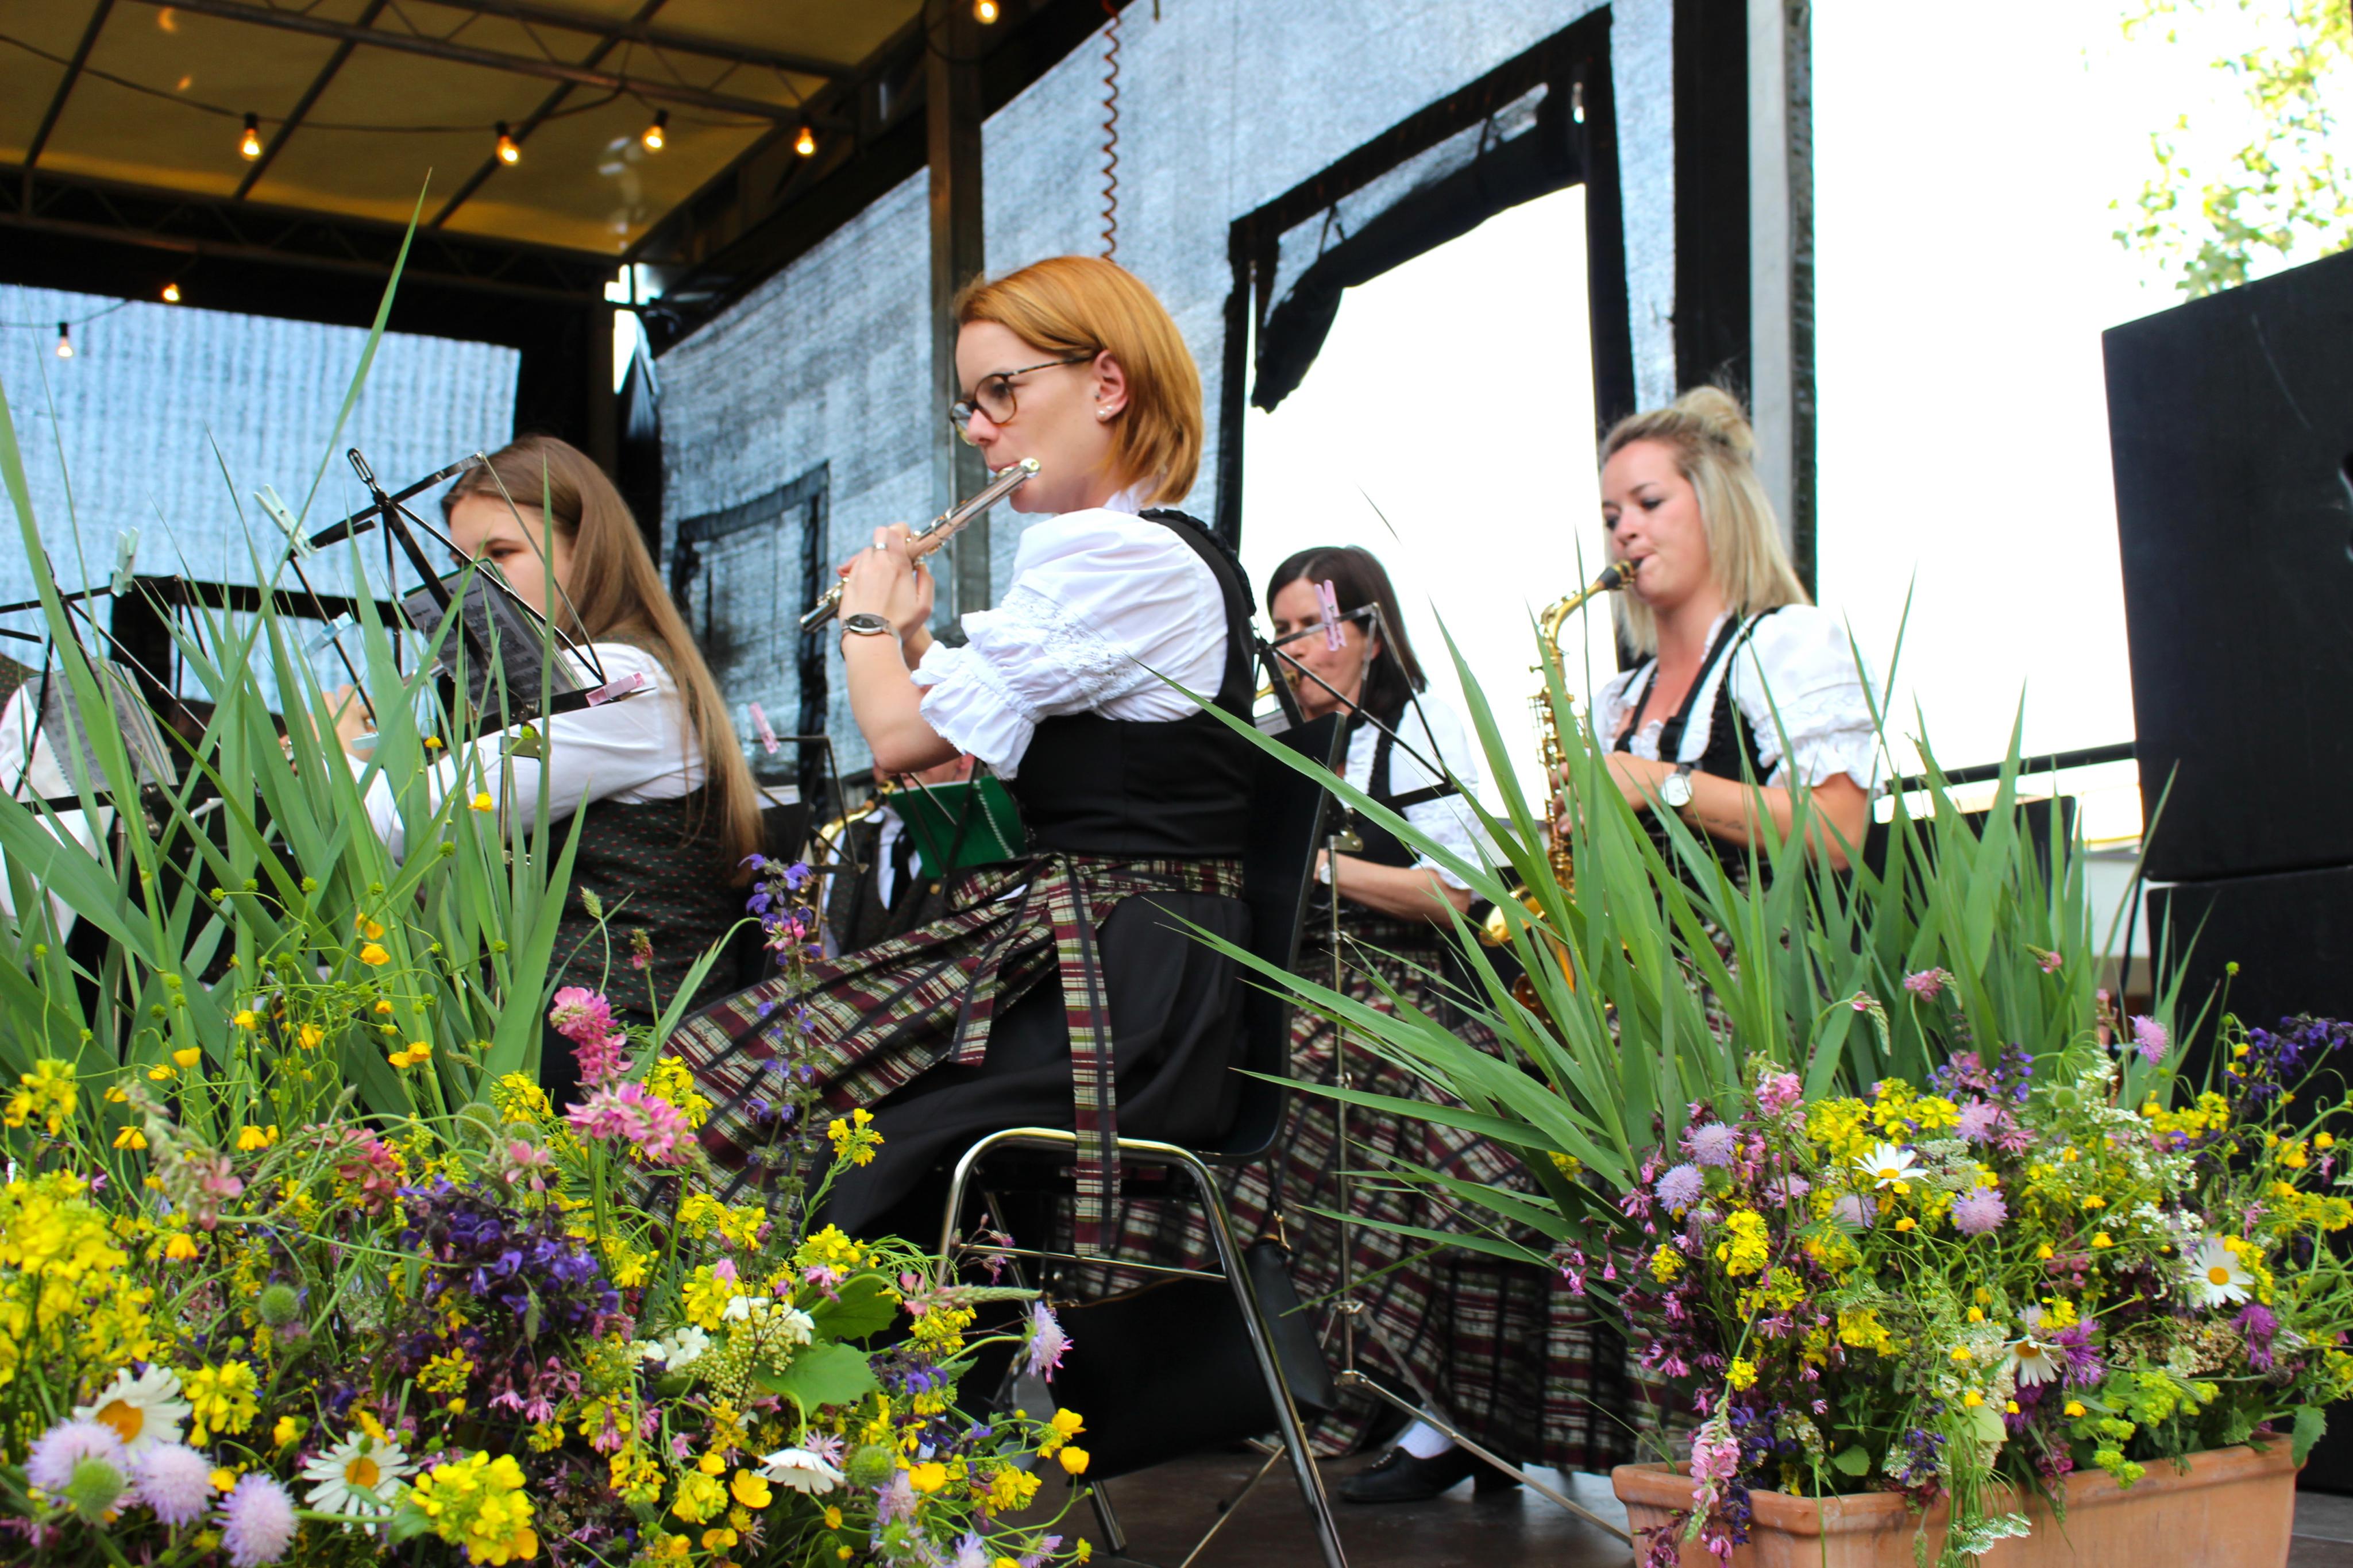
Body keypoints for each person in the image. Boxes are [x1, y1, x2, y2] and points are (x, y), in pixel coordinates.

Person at [670, 256, 1259, 1250]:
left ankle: (817, 1325)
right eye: (970, 405)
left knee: (779, 1091)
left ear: (1106, 385)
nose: (979, 428)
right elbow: (961, 720)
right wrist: (907, 638)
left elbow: (899, 739)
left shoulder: (1122, 556)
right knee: (749, 1057)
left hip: (1127, 996)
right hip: (1115, 964)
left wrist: (863, 620)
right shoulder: (1131, 553)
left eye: (1001, 391)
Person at [1113, 545, 1634, 1501]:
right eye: (1280, 632)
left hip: (1408, 983)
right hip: (1298, 980)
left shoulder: (1422, 728)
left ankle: (1426, 1394)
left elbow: (1455, 892)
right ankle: (1243, 1376)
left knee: (1373, 1107)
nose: (1293, 649)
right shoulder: (1270, 739)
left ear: (1368, 631)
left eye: (1310, 626)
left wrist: (1313, 866)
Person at [327, 435, 761, 1103]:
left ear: (586, 551)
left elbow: (410, 822)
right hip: (553, 1041)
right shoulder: (561, 692)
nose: (471, 588)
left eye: (500, 555)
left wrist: (333, 753)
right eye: (458, 564)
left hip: (620, 1057)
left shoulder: (618, 682)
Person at [1591, 387, 1877, 877]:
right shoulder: (1618, 701)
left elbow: (1838, 832)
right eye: (1611, 518)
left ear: (1718, 505)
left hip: (1780, 931)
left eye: (1650, 502)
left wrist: (1660, 784)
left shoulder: (1786, 647)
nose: (1624, 531)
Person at [819, 755, 973, 957]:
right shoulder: (847, 836)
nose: (893, 764)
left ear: (964, 757)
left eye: (914, 745)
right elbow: (827, 941)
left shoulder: (987, 836)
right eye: (881, 750)